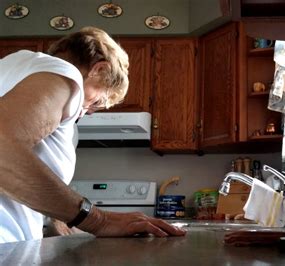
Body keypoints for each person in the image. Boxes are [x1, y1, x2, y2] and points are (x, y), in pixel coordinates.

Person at [0, 26, 186, 243]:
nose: (85, 112)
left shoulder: (12, 67)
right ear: (99, 69)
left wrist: (60, 214)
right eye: (97, 103)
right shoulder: (64, 73)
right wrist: (99, 220)